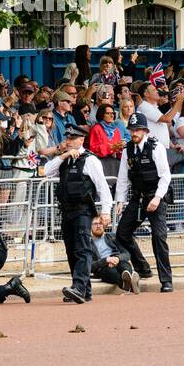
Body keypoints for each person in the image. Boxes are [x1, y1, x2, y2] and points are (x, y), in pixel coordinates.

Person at [42, 125, 114, 304]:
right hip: (67, 211)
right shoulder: (64, 159)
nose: (68, 141)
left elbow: (103, 188)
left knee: (83, 250)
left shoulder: (90, 160)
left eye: (72, 138)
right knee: (71, 251)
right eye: (67, 138)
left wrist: (106, 211)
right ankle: (84, 290)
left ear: (81, 140)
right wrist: (63, 155)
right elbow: (47, 170)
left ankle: (79, 287)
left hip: (83, 211)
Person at [113, 113, 173, 293]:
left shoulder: (156, 147)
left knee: (158, 237)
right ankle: (143, 268)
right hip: (138, 197)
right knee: (122, 233)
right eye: (132, 130)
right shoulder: (127, 149)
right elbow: (123, 178)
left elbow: (165, 176)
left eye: (137, 129)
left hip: (156, 196)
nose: (134, 133)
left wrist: (157, 198)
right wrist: (120, 201)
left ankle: (166, 280)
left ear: (145, 130)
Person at [88, 214, 141, 294]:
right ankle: (131, 284)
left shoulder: (112, 237)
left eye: (101, 223)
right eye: (95, 224)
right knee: (111, 272)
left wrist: (117, 258)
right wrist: (106, 260)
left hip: (118, 262)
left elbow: (126, 254)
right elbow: (90, 265)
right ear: (90, 226)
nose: (98, 226)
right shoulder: (88, 243)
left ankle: (126, 283)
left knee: (125, 265)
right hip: (103, 267)